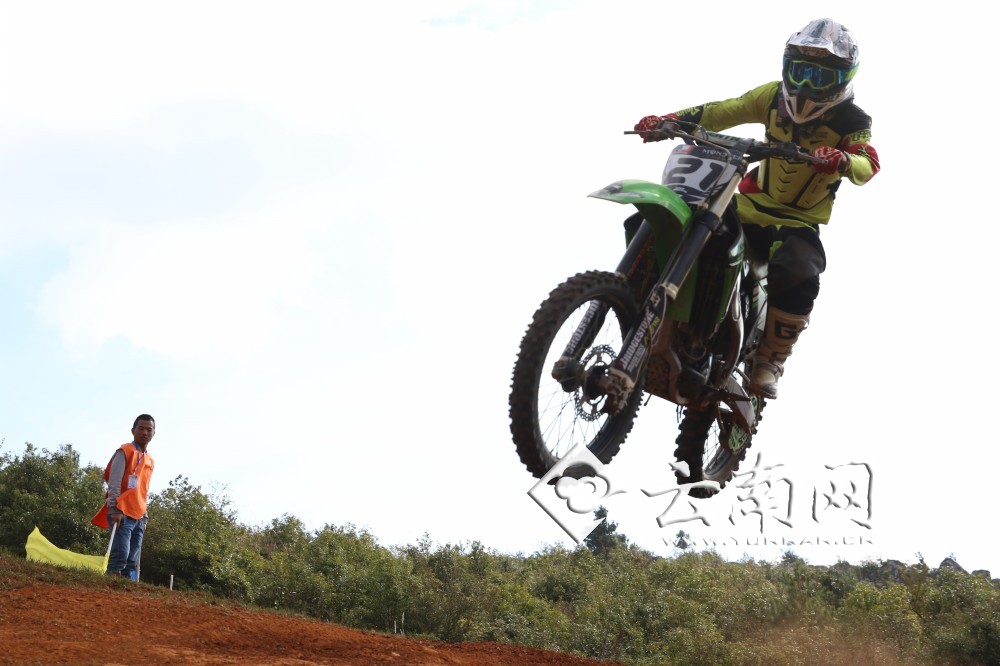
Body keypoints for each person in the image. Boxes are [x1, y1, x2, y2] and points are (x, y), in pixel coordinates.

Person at [633, 18, 880, 398]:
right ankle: (638, 301)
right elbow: (722, 110)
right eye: (800, 72)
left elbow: (868, 161)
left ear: (842, 80)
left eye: (819, 76)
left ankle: (770, 359)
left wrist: (845, 160)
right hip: (745, 203)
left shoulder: (852, 119)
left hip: (796, 221)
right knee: (682, 219)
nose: (806, 85)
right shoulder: (771, 97)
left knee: (800, 269)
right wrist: (669, 121)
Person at [91, 414, 156, 578]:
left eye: (149, 430)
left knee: (132, 560)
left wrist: (145, 515)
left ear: (154, 433)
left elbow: (144, 489)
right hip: (122, 511)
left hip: (139, 515)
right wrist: (114, 507)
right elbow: (114, 481)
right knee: (121, 554)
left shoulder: (150, 460)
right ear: (133, 430)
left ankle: (124, 588)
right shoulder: (124, 451)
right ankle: (110, 584)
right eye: (141, 428)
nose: (145, 433)